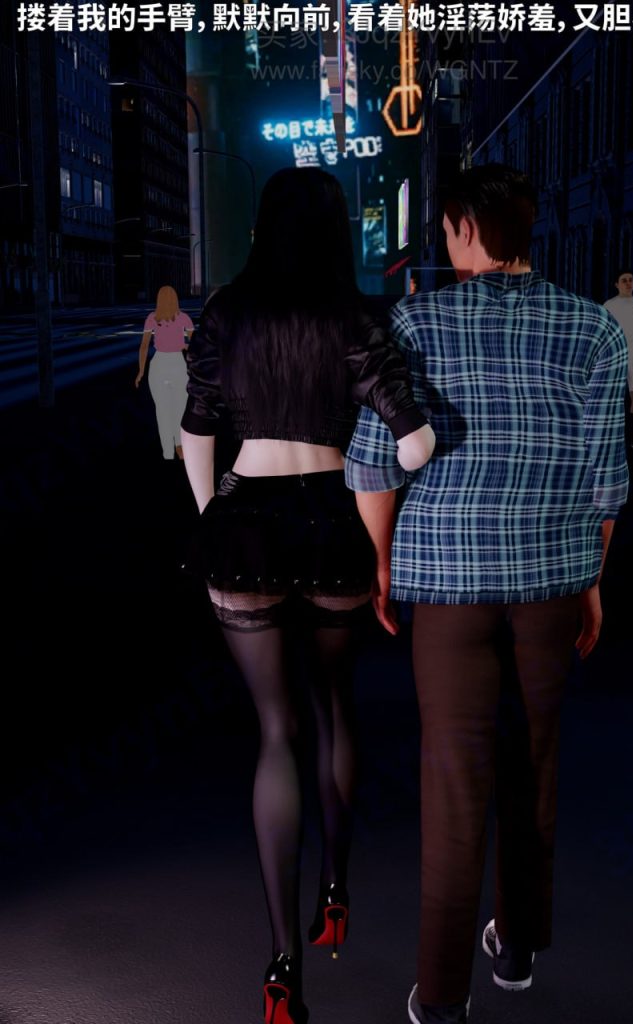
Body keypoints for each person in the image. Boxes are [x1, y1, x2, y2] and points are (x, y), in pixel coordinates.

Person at [344, 165, 629, 1024]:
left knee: (455, 779)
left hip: (448, 585)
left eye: (446, 227)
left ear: (467, 227)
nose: (443, 239)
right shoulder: (593, 328)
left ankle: (440, 994)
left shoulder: (415, 323)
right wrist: (592, 582)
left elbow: (373, 463)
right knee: (533, 763)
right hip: (553, 580)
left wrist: (384, 562)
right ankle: (517, 948)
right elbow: (606, 481)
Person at [179, 167, 435, 1024]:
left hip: (245, 522)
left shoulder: (227, 311)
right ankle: (336, 890)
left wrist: (215, 516)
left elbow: (195, 429)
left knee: (276, 731)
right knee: (334, 709)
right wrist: (384, 469)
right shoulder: (355, 316)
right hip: (333, 523)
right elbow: (416, 441)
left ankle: (283, 965)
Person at [135, 285, 194, 460]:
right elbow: (195, 345)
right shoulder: (184, 318)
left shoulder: (152, 318)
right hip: (177, 364)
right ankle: (179, 446)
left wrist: (141, 371)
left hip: (159, 365)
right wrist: (183, 345)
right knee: (179, 408)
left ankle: (167, 453)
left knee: (162, 411)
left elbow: (144, 346)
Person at [604, 269, 633, 449]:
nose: (628, 283)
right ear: (616, 284)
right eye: (624, 280)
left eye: (630, 280)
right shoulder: (609, 305)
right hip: (615, 355)